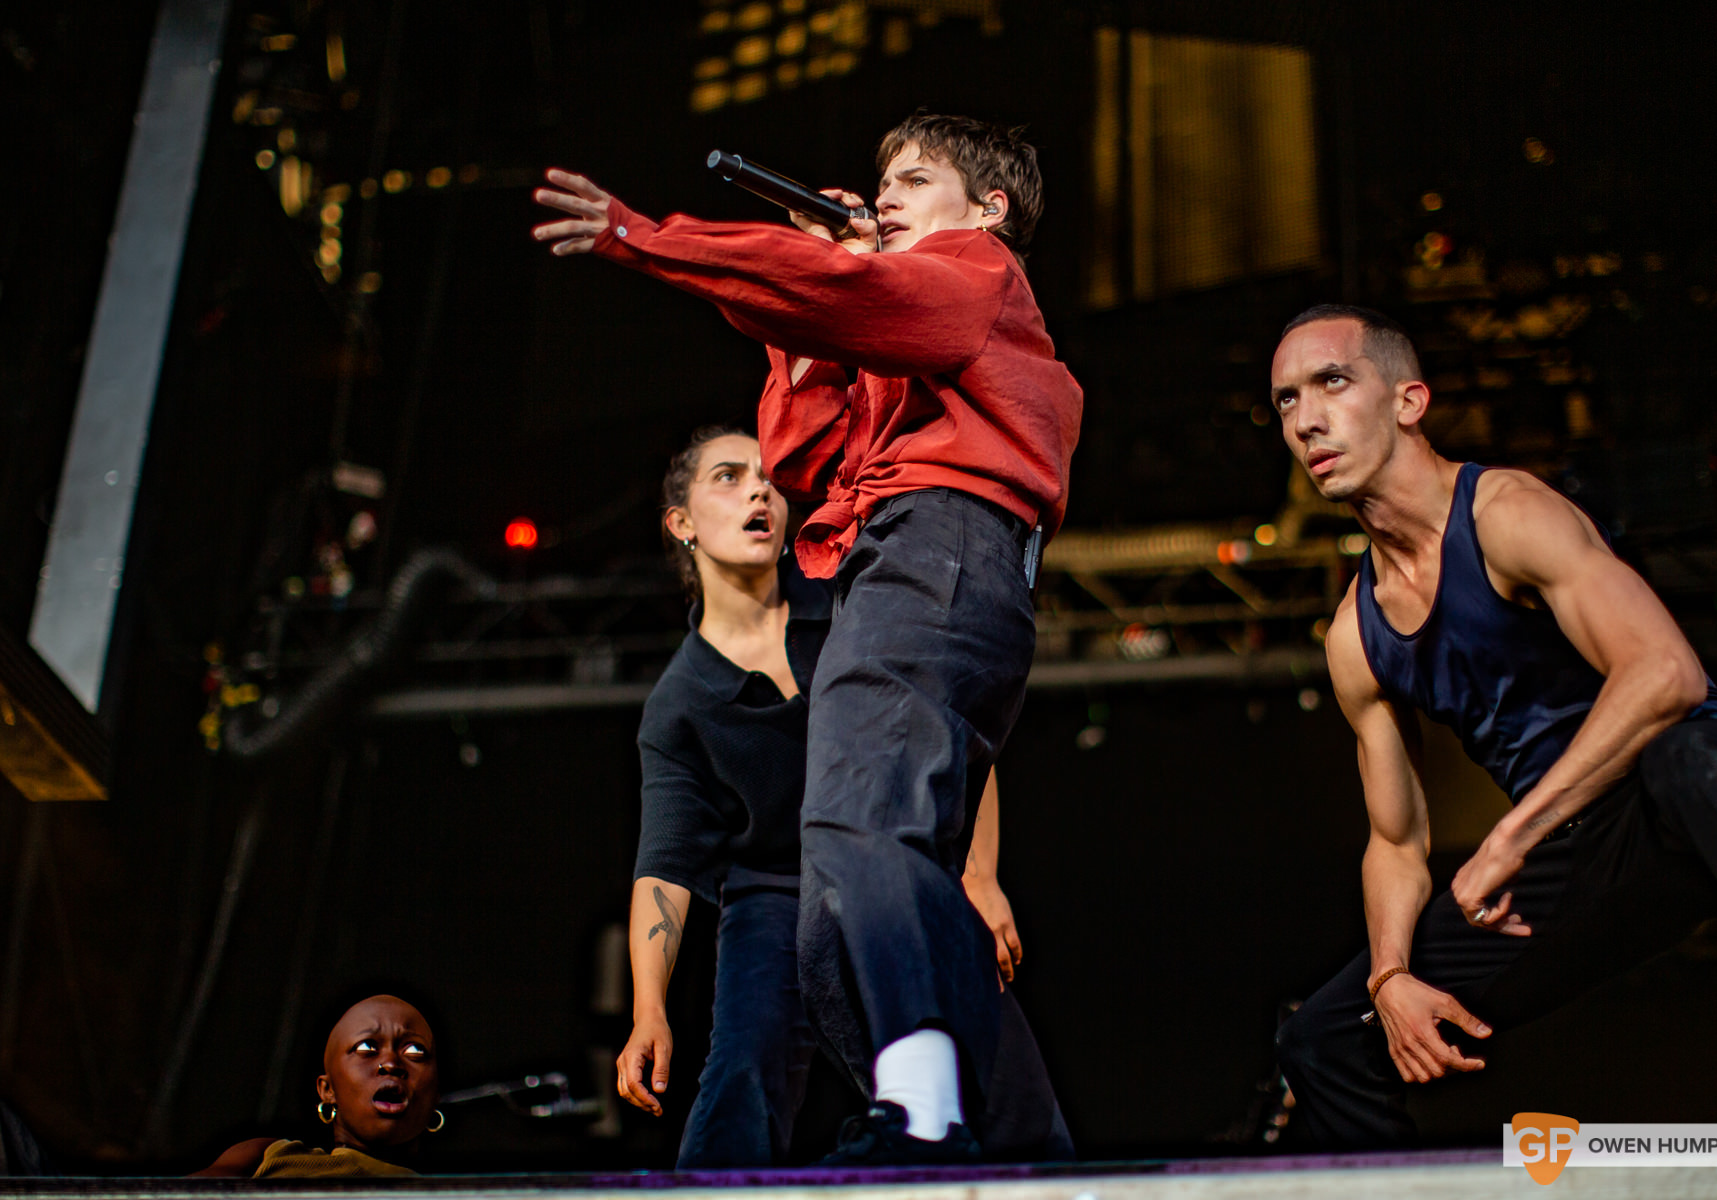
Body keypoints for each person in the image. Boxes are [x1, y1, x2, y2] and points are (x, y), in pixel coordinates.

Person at [534, 113, 1082, 1162]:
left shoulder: (976, 270)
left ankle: (923, 1106)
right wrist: (812, 313)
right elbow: (801, 451)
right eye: (884, 181)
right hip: (933, 567)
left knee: (851, 828)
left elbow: (855, 299)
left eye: (914, 180)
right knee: (830, 920)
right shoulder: (915, 330)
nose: (886, 198)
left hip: (937, 551)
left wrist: (649, 239)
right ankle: (1014, 1142)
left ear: (989, 209)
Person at [1267, 304, 1717, 1146]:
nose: (1307, 419)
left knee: (1696, 756)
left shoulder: (1507, 513)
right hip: (1571, 855)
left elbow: (1666, 673)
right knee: (1321, 1042)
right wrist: (1390, 977)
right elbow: (1396, 844)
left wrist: (1509, 839)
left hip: (1680, 802)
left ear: (1408, 401)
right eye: (1287, 402)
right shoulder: (1354, 638)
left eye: (1331, 382)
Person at [620, 427, 1069, 1167]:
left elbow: (953, 730)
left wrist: (976, 877)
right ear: (682, 523)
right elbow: (664, 866)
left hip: (893, 864)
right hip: (773, 891)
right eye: (729, 478)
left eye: (768, 477)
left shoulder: (851, 598)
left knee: (990, 1058)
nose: (760, 491)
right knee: (741, 1072)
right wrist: (647, 1012)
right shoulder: (680, 703)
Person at [193, 994, 443, 1177]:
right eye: (366, 1048)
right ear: (327, 1090)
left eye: (415, 1050)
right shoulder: (264, 1155)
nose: (390, 1063)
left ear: (436, 1096)